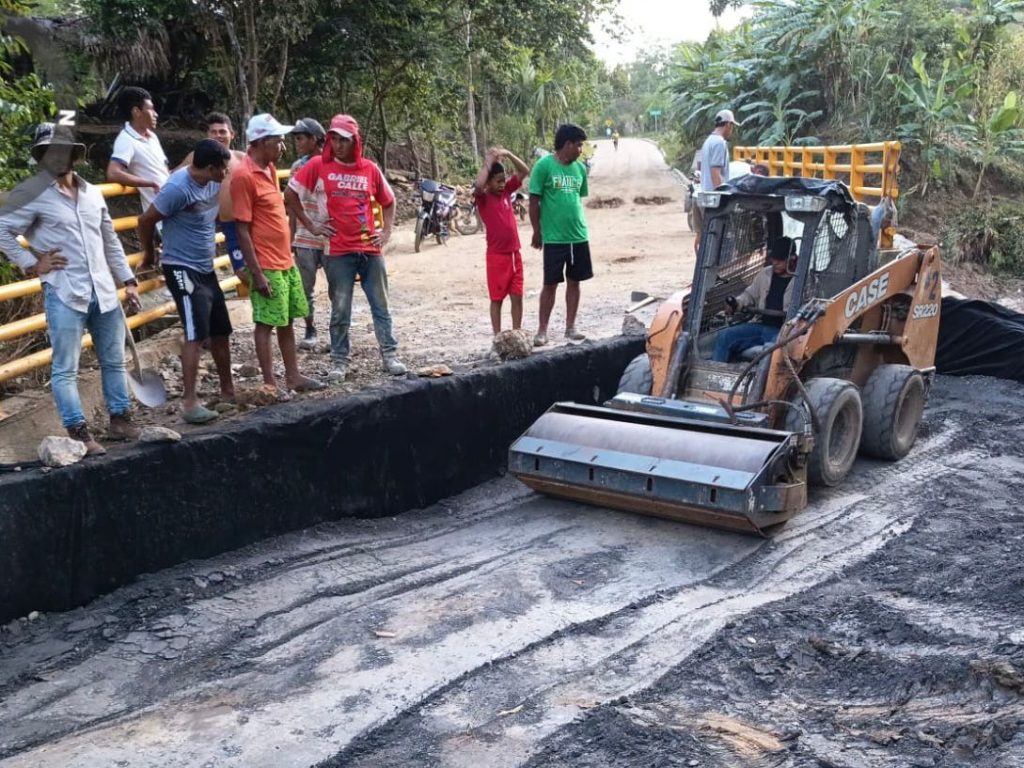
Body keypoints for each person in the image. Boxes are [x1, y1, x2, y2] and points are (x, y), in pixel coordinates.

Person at [0, 124, 142, 454]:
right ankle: (79, 434)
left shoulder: (92, 193)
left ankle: (120, 420)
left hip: (102, 289)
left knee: (114, 360)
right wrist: (32, 263)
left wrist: (128, 280)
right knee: (66, 367)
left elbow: (109, 239)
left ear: (74, 155)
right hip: (64, 291)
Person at [284, 113, 406, 383]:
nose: (339, 145)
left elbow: (389, 200)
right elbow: (290, 194)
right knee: (340, 308)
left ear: (355, 141)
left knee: (381, 305)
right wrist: (312, 225)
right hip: (338, 251)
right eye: (334, 139)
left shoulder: (369, 168)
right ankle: (339, 361)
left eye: (344, 140)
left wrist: (386, 232)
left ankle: (389, 355)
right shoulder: (318, 165)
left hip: (370, 249)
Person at [137, 139, 236, 424]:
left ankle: (228, 391)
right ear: (209, 168)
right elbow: (145, 220)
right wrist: (149, 253)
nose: (226, 173)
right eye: (222, 169)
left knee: (220, 329)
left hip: (205, 267)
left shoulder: (215, 182)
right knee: (195, 332)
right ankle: (190, 402)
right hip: (181, 267)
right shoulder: (178, 188)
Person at [230, 113, 324, 395]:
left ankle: (293, 376)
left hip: (283, 259)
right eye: (278, 142)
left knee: (287, 318)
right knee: (266, 322)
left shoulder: (269, 169)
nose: (283, 147)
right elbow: (242, 229)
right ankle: (270, 384)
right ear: (262, 142)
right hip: (266, 262)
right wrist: (256, 273)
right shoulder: (243, 176)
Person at [529, 123, 592, 347]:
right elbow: (534, 201)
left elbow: (577, 199)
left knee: (575, 282)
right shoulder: (543, 166)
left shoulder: (580, 169)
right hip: (554, 238)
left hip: (578, 236)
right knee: (550, 284)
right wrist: (537, 231)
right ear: (567, 144)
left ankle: (570, 327)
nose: (580, 150)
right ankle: (542, 331)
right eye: (578, 145)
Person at [473, 146, 530, 338]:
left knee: (517, 296)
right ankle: (497, 338)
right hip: (496, 257)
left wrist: (509, 154)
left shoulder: (506, 192)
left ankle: (517, 334)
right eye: (497, 181)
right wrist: (489, 161)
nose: (502, 184)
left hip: (514, 254)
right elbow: (478, 186)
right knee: (497, 299)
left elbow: (524, 171)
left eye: (503, 180)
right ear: (489, 182)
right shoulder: (483, 198)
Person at [713, 236, 795, 363]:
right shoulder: (765, 274)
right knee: (724, 337)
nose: (775, 263)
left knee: (771, 349)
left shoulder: (802, 280)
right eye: (773, 259)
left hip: (783, 332)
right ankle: (716, 372)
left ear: (792, 258)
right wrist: (737, 303)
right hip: (760, 324)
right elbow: (750, 295)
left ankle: (761, 377)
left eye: (779, 260)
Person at [288, 117, 328, 350]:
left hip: (330, 235)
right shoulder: (297, 167)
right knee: (305, 288)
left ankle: (337, 332)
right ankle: (310, 328)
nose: (298, 143)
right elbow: (292, 205)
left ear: (315, 139)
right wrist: (291, 236)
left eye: (301, 138)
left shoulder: (332, 164)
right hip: (305, 235)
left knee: (337, 288)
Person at [106, 87, 169, 211]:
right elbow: (113, 173)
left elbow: (164, 170)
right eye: (150, 109)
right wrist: (149, 183)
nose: (155, 114)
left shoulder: (152, 136)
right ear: (136, 112)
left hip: (175, 208)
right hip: (161, 214)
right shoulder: (126, 140)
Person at [694, 108, 741, 254]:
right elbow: (716, 172)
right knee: (723, 242)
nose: (732, 130)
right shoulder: (719, 143)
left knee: (709, 239)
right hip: (715, 200)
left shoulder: (708, 141)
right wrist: (723, 199)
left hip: (706, 197)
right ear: (728, 125)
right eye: (732, 126)